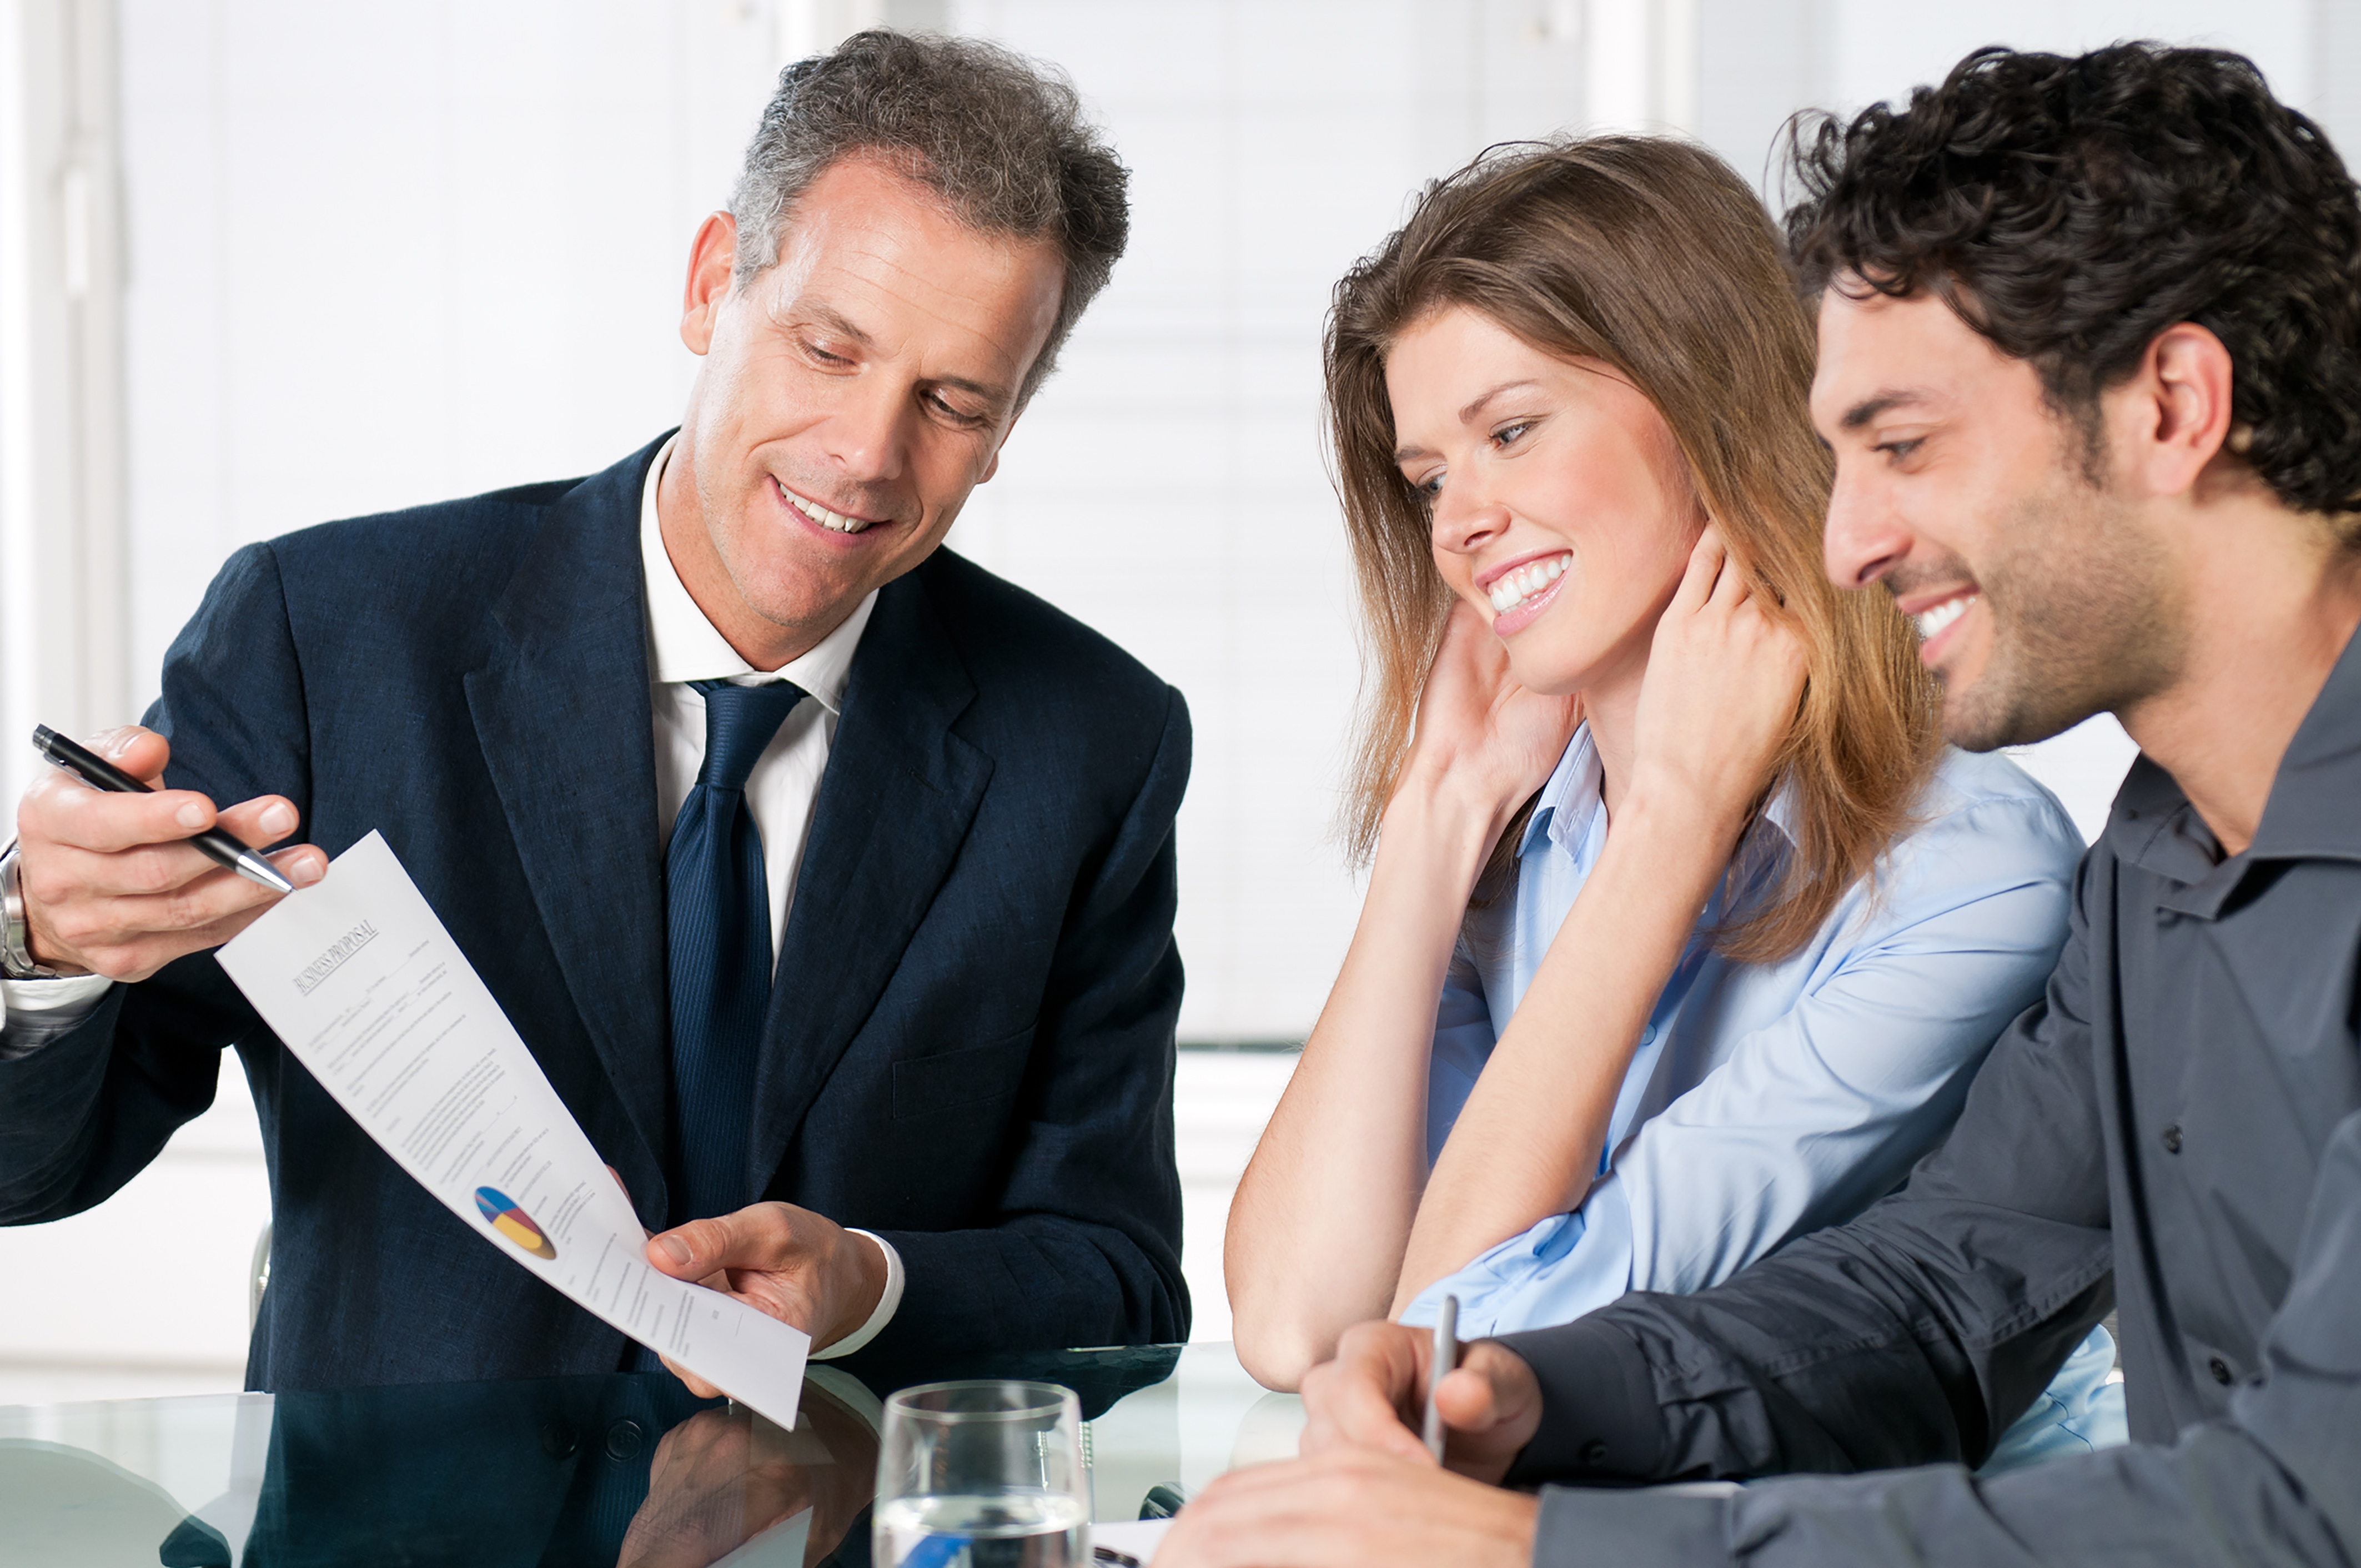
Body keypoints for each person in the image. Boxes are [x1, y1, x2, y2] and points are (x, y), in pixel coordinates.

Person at [1159, 42, 2361, 1568]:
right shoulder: (2156, 855)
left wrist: (1527, 1555)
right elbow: (1933, 1290)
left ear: (2173, 406)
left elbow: (2304, 1509)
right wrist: (1539, 1392)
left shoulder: (2001, 860)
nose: (1844, 541)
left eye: (1903, 447)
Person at [0, 30, 1191, 1392]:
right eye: (826, 347)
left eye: (952, 400)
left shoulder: (1092, 740)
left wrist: (868, 1283)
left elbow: (1119, 1277)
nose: (866, 452)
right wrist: (39, 943)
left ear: (1008, 423)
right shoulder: (326, 635)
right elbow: (31, 1172)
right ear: (708, 288)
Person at [1220, 135, 2115, 1466]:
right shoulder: (1522, 832)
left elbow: (1461, 1333)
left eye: (1510, 431)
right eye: (1425, 479)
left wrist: (1676, 826)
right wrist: (1435, 813)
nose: (1458, 521)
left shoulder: (1964, 866)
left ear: (1709, 409)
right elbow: (1296, 1322)